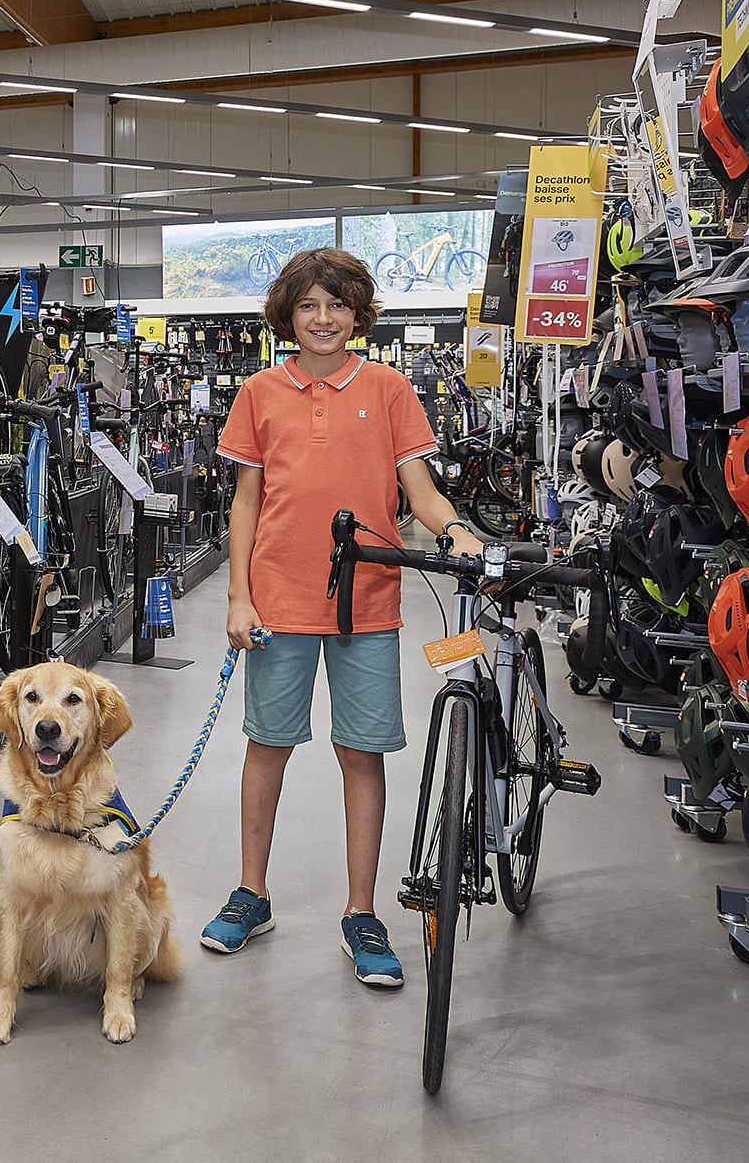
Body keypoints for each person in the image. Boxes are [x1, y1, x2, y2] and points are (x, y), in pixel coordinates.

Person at [200, 248, 485, 988]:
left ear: (358, 314)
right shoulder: (259, 392)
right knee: (267, 745)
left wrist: (456, 529)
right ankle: (251, 893)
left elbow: (420, 491)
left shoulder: (389, 388)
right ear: (287, 316)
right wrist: (238, 596)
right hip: (279, 601)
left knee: (362, 753)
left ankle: (361, 912)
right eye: (308, 306)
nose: (323, 318)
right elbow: (246, 503)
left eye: (336, 305)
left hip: (370, 602)